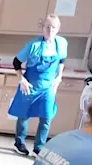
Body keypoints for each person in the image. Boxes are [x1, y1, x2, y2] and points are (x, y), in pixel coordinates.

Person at [9, 15, 68, 156]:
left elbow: (62, 60)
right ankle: (19, 142)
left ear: (58, 29)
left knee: (46, 116)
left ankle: (39, 146)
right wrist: (21, 79)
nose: (50, 30)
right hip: (30, 83)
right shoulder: (33, 45)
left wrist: (59, 77)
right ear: (42, 28)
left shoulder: (61, 43)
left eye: (53, 27)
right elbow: (16, 62)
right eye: (47, 27)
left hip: (49, 86)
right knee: (23, 114)